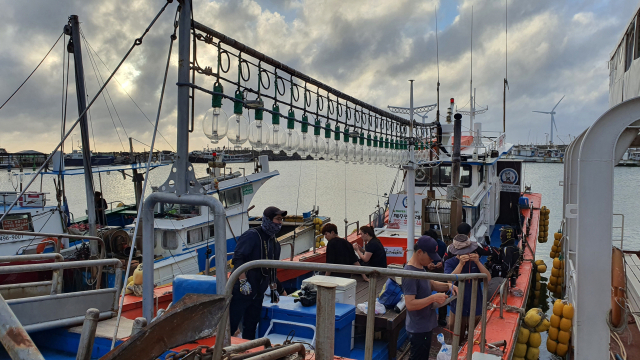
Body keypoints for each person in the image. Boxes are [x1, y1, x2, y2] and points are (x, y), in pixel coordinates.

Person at [230, 206, 288, 339]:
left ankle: (248, 351)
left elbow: (273, 268)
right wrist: (243, 281)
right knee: (231, 325)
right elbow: (238, 259)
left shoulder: (275, 243)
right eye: (277, 219)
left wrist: (274, 289)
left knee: (251, 326)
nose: (280, 223)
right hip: (241, 290)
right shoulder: (252, 235)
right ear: (267, 219)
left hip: (258, 293)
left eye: (281, 220)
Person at [403, 236, 457, 360]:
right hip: (418, 329)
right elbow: (410, 304)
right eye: (430, 256)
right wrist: (433, 298)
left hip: (425, 325)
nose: (432, 260)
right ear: (420, 252)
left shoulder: (421, 267)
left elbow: (430, 283)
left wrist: (448, 286)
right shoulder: (409, 274)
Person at [444, 223, 492, 340]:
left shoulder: (475, 261)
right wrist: (461, 264)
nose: (465, 253)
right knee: (456, 338)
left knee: (476, 339)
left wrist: (478, 262)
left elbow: (487, 278)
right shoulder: (450, 262)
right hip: (457, 308)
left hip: (476, 307)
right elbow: (449, 280)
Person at [423, 229, 448, 327]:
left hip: (440, 271)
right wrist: (427, 266)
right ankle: (426, 315)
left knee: (443, 292)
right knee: (424, 292)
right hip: (427, 270)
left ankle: (442, 317)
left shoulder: (442, 246)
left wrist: (441, 264)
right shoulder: (421, 246)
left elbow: (446, 259)